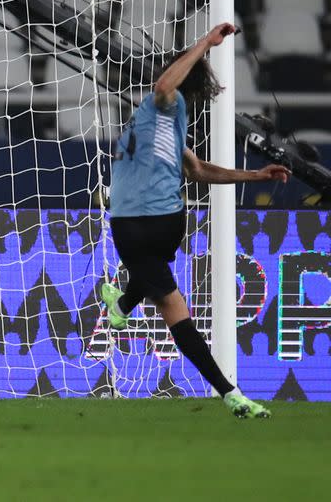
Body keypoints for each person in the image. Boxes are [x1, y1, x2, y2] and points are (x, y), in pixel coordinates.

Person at [101, 23, 291, 418]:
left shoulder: (165, 111)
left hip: (137, 227)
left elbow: (194, 160)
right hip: (164, 224)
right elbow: (196, 163)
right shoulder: (164, 115)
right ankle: (122, 305)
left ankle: (227, 392)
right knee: (161, 288)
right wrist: (205, 44)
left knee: (174, 311)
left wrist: (255, 176)